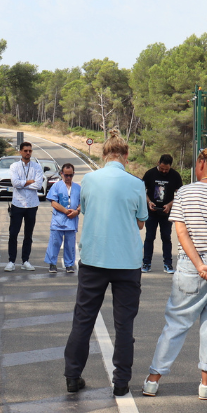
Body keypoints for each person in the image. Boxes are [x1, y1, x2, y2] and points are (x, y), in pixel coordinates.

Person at [142, 147, 207, 400]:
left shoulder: (185, 194)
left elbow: (181, 233)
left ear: (201, 164)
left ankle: (153, 380)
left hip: (192, 265)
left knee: (176, 323)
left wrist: (200, 265)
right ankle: (205, 385)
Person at [63, 130, 148, 397]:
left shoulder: (89, 180)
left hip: (94, 259)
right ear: (125, 155)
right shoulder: (136, 183)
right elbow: (141, 220)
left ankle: (72, 375)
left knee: (83, 319)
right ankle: (121, 381)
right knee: (124, 324)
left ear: (104, 154)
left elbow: (86, 209)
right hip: (126, 261)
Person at [142, 154, 183, 273]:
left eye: (166, 169)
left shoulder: (175, 175)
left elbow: (180, 194)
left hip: (166, 213)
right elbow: (141, 191)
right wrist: (149, 202)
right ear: (158, 163)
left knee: (166, 237)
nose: (164, 171)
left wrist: (170, 204)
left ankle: (168, 264)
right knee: (149, 237)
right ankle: (146, 263)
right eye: (162, 168)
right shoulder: (150, 174)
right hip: (152, 212)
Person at [6, 141, 43, 271]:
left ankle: (25, 260)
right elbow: (15, 183)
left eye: (30, 151)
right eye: (25, 150)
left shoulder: (37, 167)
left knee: (28, 234)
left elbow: (38, 185)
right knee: (13, 233)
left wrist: (24, 183)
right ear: (20, 151)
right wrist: (29, 181)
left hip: (32, 204)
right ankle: (11, 261)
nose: (28, 153)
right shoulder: (14, 166)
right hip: (18, 203)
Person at [45, 163, 80, 273]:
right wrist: (65, 211)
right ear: (61, 174)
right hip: (58, 220)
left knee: (70, 244)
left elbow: (82, 203)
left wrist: (77, 211)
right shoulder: (56, 186)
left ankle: (69, 264)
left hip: (72, 220)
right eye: (66, 175)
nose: (68, 178)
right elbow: (53, 203)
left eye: (71, 175)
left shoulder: (78, 188)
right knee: (55, 243)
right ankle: (52, 264)